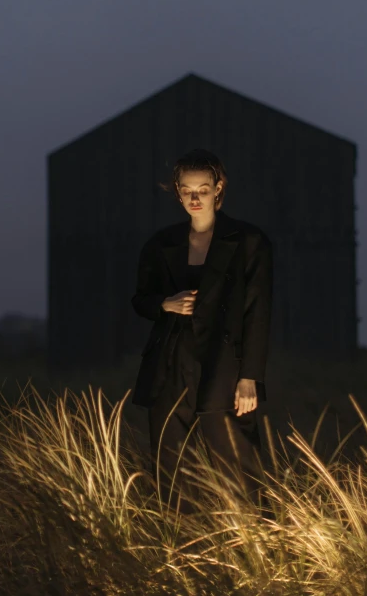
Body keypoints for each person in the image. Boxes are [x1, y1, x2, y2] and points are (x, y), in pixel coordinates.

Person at [131, 149, 273, 514]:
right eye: (187, 190)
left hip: (223, 367)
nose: (195, 198)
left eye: (203, 189)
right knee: (170, 470)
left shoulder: (249, 242)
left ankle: (258, 546)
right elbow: (140, 300)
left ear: (218, 188)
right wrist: (166, 303)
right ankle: (179, 550)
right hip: (171, 365)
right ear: (177, 192)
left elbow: (257, 313)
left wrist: (249, 378)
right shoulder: (161, 244)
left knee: (240, 469)